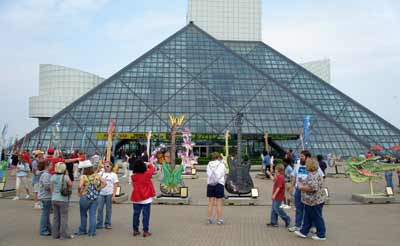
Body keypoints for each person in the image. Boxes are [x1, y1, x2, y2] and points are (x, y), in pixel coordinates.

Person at [288, 150, 324, 232]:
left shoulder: (314, 166)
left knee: (311, 210)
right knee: (298, 208)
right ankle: (297, 225)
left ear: (307, 157)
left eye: (302, 156)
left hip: (310, 192)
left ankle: (313, 226)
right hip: (299, 190)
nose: (300, 158)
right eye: (300, 156)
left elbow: (321, 177)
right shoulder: (297, 165)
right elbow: (294, 176)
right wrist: (291, 186)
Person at [294, 158, 327, 241]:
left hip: (314, 201)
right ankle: (304, 231)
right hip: (311, 201)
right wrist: (303, 181)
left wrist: (302, 187)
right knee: (307, 216)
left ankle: (321, 234)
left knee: (317, 217)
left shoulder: (313, 175)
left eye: (307, 164)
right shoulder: (314, 173)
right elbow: (310, 182)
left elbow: (313, 187)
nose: (305, 165)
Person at [76, 161, 106, 237]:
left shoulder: (83, 176)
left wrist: (79, 192)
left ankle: (83, 230)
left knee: (83, 214)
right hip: (95, 197)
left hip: (85, 196)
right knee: (92, 214)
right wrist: (99, 188)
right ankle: (92, 232)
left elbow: (80, 186)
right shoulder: (96, 176)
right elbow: (105, 183)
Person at [131, 158, 156, 237]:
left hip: (136, 198)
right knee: (146, 216)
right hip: (146, 199)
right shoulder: (147, 174)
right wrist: (148, 164)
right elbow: (152, 168)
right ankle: (145, 231)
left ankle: (135, 230)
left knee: (136, 215)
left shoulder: (133, 176)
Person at [51, 162, 73, 240]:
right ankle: (63, 235)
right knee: (64, 217)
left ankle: (55, 234)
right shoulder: (65, 177)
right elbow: (70, 184)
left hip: (54, 198)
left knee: (56, 217)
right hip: (63, 199)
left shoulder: (52, 177)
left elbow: (51, 189)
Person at [97, 162, 119, 229]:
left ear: (111, 167)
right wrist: (99, 170)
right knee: (100, 208)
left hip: (109, 193)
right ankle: (99, 223)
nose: (106, 167)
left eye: (108, 166)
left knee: (108, 209)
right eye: (105, 166)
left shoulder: (114, 175)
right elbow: (95, 177)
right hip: (101, 193)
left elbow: (116, 185)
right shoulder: (101, 173)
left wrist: (114, 195)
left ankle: (107, 223)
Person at [206, 152, 227, 225]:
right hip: (219, 184)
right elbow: (224, 173)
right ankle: (219, 220)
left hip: (210, 184)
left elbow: (208, 174)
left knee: (210, 202)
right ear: (218, 157)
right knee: (219, 203)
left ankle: (209, 219)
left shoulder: (208, 164)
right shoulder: (221, 165)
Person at [38, 160, 52, 236]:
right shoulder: (46, 175)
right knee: (45, 214)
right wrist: (54, 188)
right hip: (46, 196)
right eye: (51, 165)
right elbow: (47, 186)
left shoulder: (44, 174)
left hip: (44, 196)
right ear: (47, 166)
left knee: (46, 213)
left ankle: (48, 228)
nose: (52, 166)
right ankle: (43, 229)